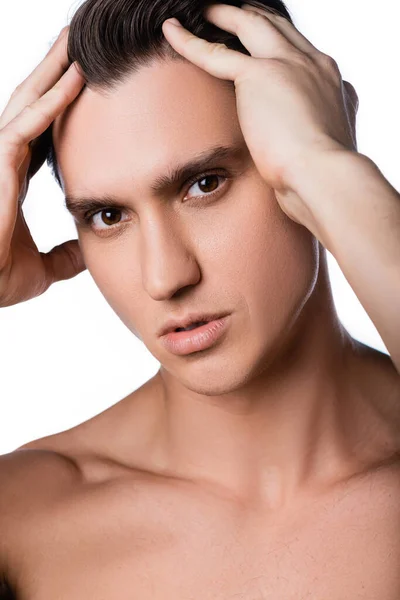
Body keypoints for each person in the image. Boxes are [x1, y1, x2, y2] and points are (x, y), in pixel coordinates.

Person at [1, 0, 399, 597]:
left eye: (203, 184)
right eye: (109, 216)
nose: (165, 277)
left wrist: (330, 169)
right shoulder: (22, 518)